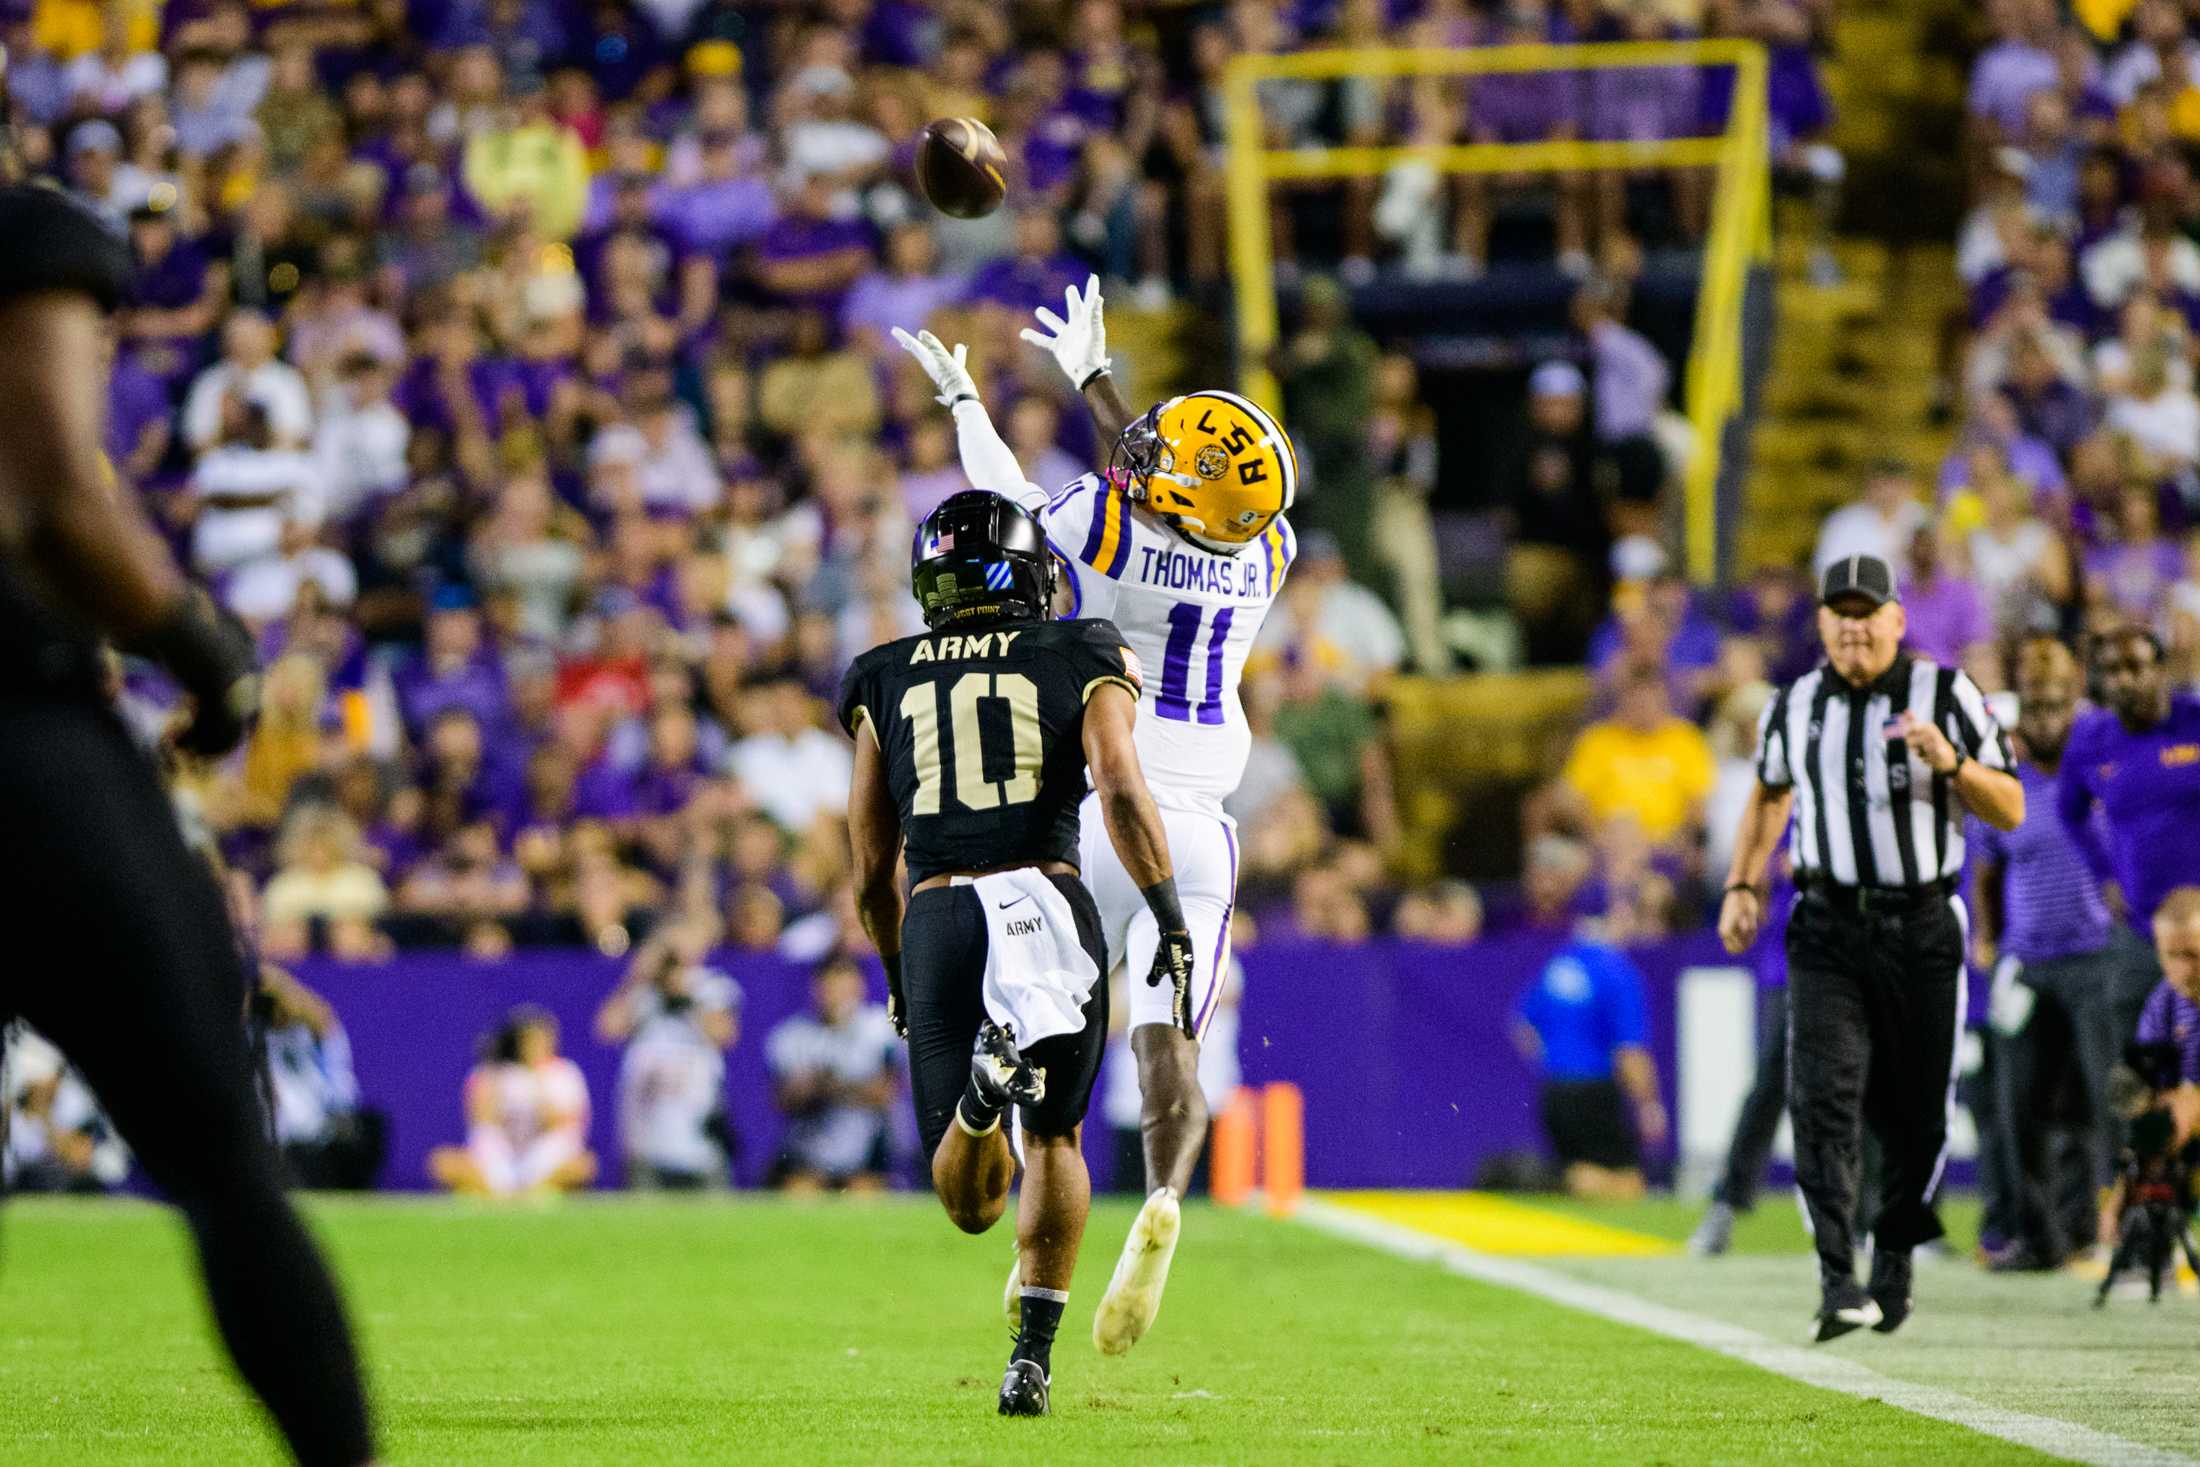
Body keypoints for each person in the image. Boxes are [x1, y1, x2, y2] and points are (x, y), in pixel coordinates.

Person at [0, 168, 375, 1462]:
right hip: (20, 744)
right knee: (224, 1165)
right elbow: (54, 496)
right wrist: (212, 662)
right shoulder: (25, 237)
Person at [894, 278, 1296, 1358]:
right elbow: (1184, 483)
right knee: (1173, 1049)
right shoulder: (1267, 551)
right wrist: (1097, 381)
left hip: (1094, 826)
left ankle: (1032, 1253)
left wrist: (973, 405)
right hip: (1201, 832)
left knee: (1052, 1092)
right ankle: (1164, 1196)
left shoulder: (1108, 529)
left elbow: (1016, 498)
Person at [841, 491, 1190, 1416]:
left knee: (968, 1201)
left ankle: (979, 1094)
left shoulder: (881, 671)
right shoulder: (1082, 647)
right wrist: (1165, 909)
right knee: (1059, 1137)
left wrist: (896, 975)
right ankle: (1031, 1356)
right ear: (1031, 573)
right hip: (1050, 898)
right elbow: (1118, 784)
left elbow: (872, 866)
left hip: (943, 911)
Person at [1719, 554, 2022, 1342]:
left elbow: (2012, 805)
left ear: (1896, 619)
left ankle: (1893, 1264)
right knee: (1821, 1096)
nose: (1854, 626)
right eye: (1840, 612)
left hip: (1921, 924)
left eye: (1868, 612)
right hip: (1826, 923)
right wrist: (1743, 885)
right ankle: (1835, 1276)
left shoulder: (1946, 693)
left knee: (1917, 1110)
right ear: (1821, 621)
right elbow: (1769, 792)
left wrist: (1951, 762)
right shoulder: (1795, 704)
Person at [1974, 638, 2122, 1270]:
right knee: (2018, 1105)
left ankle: (2119, 1234)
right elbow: (1985, 866)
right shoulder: (2006, 780)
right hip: (2029, 959)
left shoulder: (2108, 765)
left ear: (2079, 697)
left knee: (2109, 1101)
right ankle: (2037, 1236)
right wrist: (1987, 936)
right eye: (2034, 707)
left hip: (2098, 956)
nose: (2046, 721)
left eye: (2057, 706)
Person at [2057, 625, 2200, 1040]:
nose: (2121, 681)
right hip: (2138, 931)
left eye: (2134, 667)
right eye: (2111, 671)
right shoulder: (2089, 738)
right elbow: (2070, 813)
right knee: (2137, 1071)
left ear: (2161, 670)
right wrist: (2103, 876)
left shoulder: (2194, 720)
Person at [1512, 919, 1667, 1201]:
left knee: (1578, 1167)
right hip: (1594, 1087)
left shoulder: (1558, 967)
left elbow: (1524, 1027)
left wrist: (1556, 1060)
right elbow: (1630, 1052)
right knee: (1629, 1184)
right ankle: (1548, 1184)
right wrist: (1648, 1104)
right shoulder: (1618, 972)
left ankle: (1549, 1181)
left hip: (1554, 1088)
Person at [1689, 850, 1795, 1257]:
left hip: (1855, 960)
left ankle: (1873, 1220)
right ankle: (1726, 1204)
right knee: (1771, 1082)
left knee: (1866, 1087)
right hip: (1791, 963)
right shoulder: (1788, 797)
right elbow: (1762, 867)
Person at [596, 920, 740, 1189]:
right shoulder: (644, 992)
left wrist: (687, 996)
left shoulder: (710, 986)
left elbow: (725, 1035)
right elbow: (607, 1027)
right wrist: (636, 976)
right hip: (647, 1139)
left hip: (699, 1140)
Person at [428, 1006, 597, 1198]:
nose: (536, 1045)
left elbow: (561, 1123)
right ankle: (509, 1193)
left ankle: (519, 1193)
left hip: (544, 1156)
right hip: (502, 1157)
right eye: (529, 1039)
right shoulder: (490, 1073)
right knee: (442, 1162)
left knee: (582, 1166)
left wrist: (537, 1078)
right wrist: (493, 1070)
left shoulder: (563, 1072)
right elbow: (481, 1121)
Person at [766, 954, 900, 1192]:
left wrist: (829, 1085)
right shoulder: (792, 1035)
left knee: (862, 1196)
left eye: (843, 987)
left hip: (866, 1150)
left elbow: (885, 1094)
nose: (835, 995)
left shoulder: (879, 1030)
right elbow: (784, 1100)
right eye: (829, 986)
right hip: (809, 1152)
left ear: (859, 988)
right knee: (799, 1193)